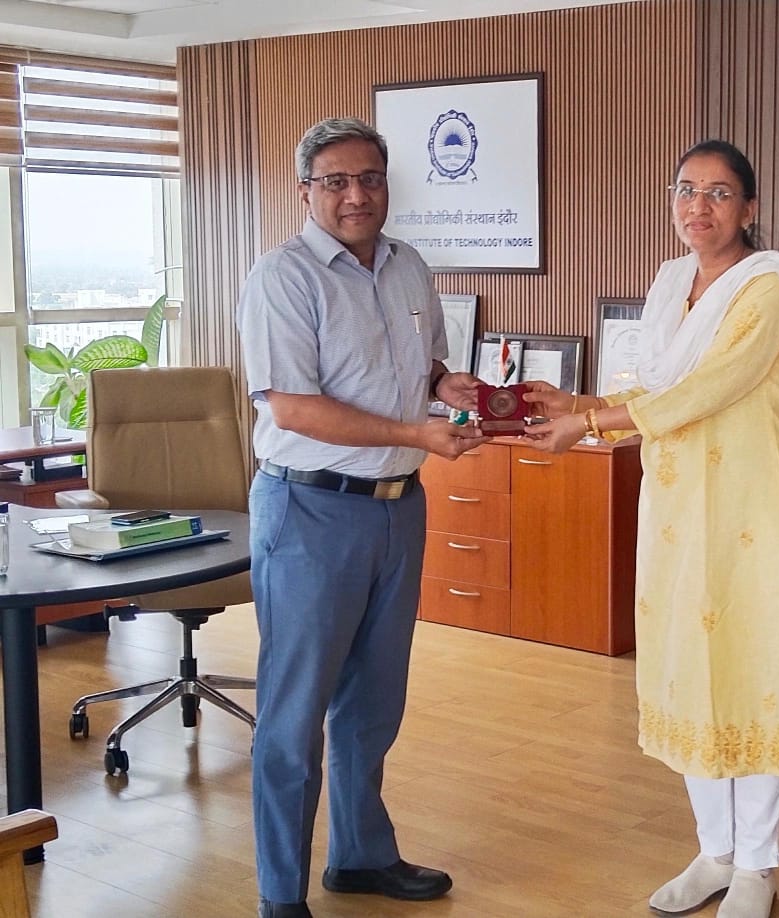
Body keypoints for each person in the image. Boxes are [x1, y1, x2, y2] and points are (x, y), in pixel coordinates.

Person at [523, 140, 779, 918]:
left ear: (750, 208)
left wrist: (591, 423)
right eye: (686, 190)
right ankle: (714, 853)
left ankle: (757, 867)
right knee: (687, 674)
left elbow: (709, 387)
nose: (698, 206)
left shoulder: (768, 289)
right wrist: (579, 405)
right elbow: (653, 383)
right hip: (675, 513)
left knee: (752, 673)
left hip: (752, 512)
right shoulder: (672, 283)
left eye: (719, 192)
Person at [237, 117, 488, 918]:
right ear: (305, 191)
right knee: (295, 713)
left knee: (374, 702)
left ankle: (359, 855)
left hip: (396, 509)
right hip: (309, 510)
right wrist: (416, 433)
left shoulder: (408, 265)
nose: (356, 195)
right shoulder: (282, 278)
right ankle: (281, 894)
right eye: (337, 181)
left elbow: (420, 365)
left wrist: (443, 387)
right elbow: (295, 407)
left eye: (370, 178)